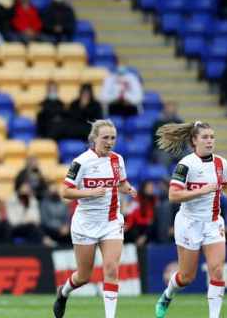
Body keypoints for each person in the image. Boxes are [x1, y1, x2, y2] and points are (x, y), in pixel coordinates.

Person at [153, 121, 227, 318]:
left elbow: (226, 185)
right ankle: (168, 295)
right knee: (186, 277)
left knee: (217, 271)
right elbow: (173, 195)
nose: (209, 141)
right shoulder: (186, 164)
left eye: (212, 137)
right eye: (205, 137)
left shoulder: (222, 163)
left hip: (213, 223)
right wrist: (202, 191)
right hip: (189, 224)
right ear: (194, 141)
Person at [53, 120, 137, 318]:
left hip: (111, 222)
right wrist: (90, 192)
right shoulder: (81, 162)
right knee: (83, 276)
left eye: (113, 138)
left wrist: (128, 189)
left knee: (111, 269)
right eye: (105, 138)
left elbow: (121, 184)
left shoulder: (118, 160)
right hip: (85, 224)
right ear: (94, 139)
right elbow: (65, 191)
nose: (109, 142)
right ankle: (63, 293)